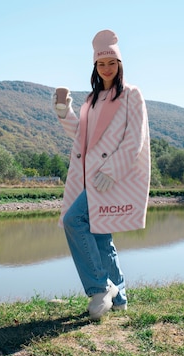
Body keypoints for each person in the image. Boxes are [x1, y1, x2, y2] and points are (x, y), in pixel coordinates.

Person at [52, 29, 151, 320]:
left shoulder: (132, 95)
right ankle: (118, 298)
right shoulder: (92, 99)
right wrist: (63, 111)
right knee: (100, 236)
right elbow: (81, 136)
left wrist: (111, 169)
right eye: (101, 64)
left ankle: (99, 287)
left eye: (111, 63)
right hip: (89, 177)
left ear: (120, 65)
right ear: (95, 67)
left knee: (74, 219)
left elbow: (135, 138)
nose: (106, 68)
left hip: (111, 176)